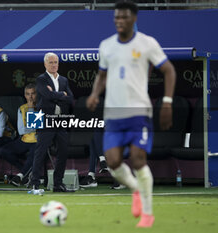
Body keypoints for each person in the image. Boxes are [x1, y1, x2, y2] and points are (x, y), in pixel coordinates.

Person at [86, 1, 176, 228]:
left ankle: (147, 214)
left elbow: (169, 70)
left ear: (134, 19)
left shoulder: (147, 43)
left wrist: (166, 103)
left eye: (124, 17)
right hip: (113, 115)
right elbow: (102, 75)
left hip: (139, 112)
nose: (119, 21)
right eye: (116, 17)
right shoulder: (106, 46)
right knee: (113, 163)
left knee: (137, 159)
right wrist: (95, 94)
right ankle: (137, 189)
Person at [30, 52, 74, 193]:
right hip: (44, 119)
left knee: (63, 151)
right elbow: (47, 95)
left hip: (60, 120)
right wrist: (62, 95)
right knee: (40, 152)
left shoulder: (64, 80)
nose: (54, 65)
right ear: (45, 64)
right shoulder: (41, 79)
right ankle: (34, 183)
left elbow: (70, 98)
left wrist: (57, 96)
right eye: (51, 62)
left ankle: (58, 184)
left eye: (55, 62)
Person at [0, 83, 37, 187]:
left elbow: (34, 128)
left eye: (33, 94)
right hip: (24, 140)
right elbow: (21, 131)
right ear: (25, 95)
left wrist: (31, 109)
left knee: (34, 153)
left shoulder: (42, 106)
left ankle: (20, 176)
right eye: (28, 94)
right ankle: (25, 171)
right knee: (4, 150)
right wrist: (31, 128)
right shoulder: (21, 108)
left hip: (38, 140)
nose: (30, 97)